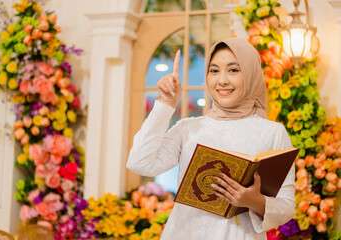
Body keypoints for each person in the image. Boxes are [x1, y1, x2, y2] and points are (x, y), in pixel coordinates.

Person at [126, 38, 295, 240]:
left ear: (251, 74)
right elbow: (139, 163)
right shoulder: (188, 128)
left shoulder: (273, 133)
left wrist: (254, 201)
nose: (222, 80)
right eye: (214, 71)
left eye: (233, 70)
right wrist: (165, 105)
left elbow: (286, 206)